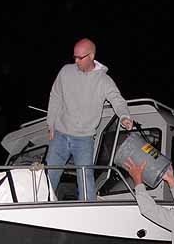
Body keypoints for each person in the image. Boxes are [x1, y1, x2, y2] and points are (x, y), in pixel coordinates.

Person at [46, 38, 133, 201]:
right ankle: (41, 204)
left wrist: (125, 116)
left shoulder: (103, 81)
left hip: (84, 139)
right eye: (74, 57)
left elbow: (118, 100)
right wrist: (50, 123)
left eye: (80, 57)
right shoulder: (66, 71)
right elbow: (55, 96)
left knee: (86, 179)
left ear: (91, 56)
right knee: (49, 174)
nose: (76, 61)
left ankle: (89, 211)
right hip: (60, 134)